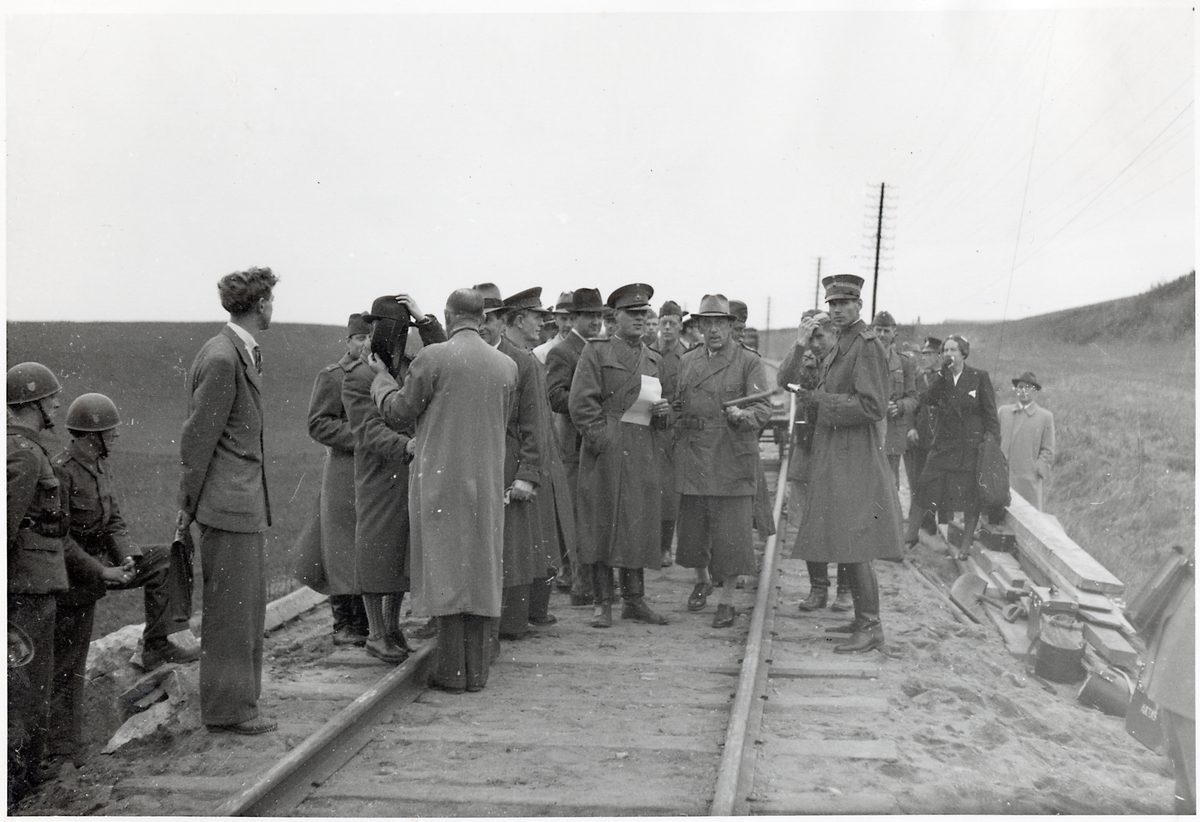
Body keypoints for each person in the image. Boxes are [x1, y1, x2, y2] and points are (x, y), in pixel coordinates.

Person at [370, 288, 517, 693]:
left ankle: (452, 672)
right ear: (482, 318)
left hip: (441, 483)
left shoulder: (432, 358)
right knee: (481, 569)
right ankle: (477, 672)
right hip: (487, 483)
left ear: (449, 317)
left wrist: (381, 380)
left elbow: (398, 412)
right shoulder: (506, 366)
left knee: (447, 570)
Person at [49, 393, 198, 767]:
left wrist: (127, 555)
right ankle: (62, 752)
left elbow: (113, 520)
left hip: (104, 563)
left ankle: (157, 644)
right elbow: (60, 540)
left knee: (166, 557)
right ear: (91, 436)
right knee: (68, 668)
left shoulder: (98, 465)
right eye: (110, 431)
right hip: (73, 578)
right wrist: (102, 571)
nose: (116, 436)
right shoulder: (61, 471)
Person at [177, 266, 278, 735]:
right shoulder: (223, 357)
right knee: (232, 615)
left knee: (243, 611)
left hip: (238, 504)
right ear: (261, 305)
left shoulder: (234, 351)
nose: (273, 308)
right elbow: (197, 439)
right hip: (228, 506)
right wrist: (187, 506)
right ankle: (228, 710)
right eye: (271, 300)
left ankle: (237, 705)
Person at [792, 275, 903, 654]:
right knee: (844, 532)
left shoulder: (866, 346)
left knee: (855, 537)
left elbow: (873, 406)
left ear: (859, 305)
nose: (837, 310)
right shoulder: (843, 341)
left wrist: (822, 401)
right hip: (836, 449)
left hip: (854, 454)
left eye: (844, 303)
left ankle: (871, 626)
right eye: (832, 304)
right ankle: (860, 618)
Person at [343, 295, 446, 661]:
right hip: (379, 473)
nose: (396, 336)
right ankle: (376, 633)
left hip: (410, 471)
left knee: (401, 552)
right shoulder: (359, 374)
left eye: (404, 329)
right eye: (390, 328)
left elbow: (447, 356)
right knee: (375, 551)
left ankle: (392, 627)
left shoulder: (411, 364)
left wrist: (427, 322)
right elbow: (366, 429)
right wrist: (407, 446)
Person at [569, 283, 672, 628]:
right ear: (615, 318)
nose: (640, 319)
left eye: (644, 314)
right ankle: (602, 602)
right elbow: (581, 403)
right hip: (607, 453)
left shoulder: (654, 359)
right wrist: (603, 439)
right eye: (633, 314)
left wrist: (664, 413)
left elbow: (667, 405)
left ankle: (634, 600)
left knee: (637, 523)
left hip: (642, 449)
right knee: (602, 523)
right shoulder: (596, 352)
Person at [673, 294, 772, 628]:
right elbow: (679, 404)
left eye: (719, 323)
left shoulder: (748, 361)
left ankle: (727, 599)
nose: (713, 330)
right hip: (695, 453)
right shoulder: (688, 361)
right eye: (707, 323)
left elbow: (763, 406)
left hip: (731, 453)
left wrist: (745, 415)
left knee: (732, 533)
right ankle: (702, 579)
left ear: (730, 326)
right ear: (699, 326)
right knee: (693, 531)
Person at [475, 284, 559, 640]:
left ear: (502, 321)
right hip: (471, 465)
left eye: (489, 320)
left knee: (512, 547)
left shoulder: (523, 363)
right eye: (476, 319)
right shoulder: (458, 356)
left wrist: (527, 474)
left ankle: (509, 624)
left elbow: (535, 425)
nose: (481, 327)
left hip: (508, 465)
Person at [8, 362, 70, 804]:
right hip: (26, 590)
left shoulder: (25, 448)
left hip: (33, 585)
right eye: (51, 398)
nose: (57, 404)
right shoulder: (24, 454)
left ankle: (24, 775)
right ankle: (18, 784)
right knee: (27, 687)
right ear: (33, 404)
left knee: (30, 684)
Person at [777, 310, 852, 613]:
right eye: (811, 338)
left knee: (843, 523)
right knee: (810, 524)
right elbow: (784, 381)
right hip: (808, 451)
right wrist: (799, 344)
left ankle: (845, 590)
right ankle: (818, 589)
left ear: (834, 334)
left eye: (820, 337)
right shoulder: (804, 357)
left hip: (838, 451)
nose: (815, 344)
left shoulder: (846, 359)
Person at [305, 314, 371, 647]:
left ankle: (366, 621)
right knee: (341, 547)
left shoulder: (380, 374)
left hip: (375, 472)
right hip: (344, 471)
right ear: (348, 341)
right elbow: (318, 424)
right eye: (360, 338)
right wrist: (366, 437)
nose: (366, 344)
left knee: (368, 543)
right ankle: (344, 624)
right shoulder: (333, 376)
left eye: (370, 337)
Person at [906, 334, 1001, 559]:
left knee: (970, 498)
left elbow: (990, 414)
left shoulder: (979, 377)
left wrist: (993, 445)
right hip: (944, 445)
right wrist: (942, 375)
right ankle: (910, 535)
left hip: (970, 447)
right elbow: (927, 399)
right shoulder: (941, 377)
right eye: (945, 351)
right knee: (924, 485)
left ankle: (965, 546)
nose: (948, 354)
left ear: (963, 353)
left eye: (953, 350)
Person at [545, 287, 606, 606]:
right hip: (574, 445)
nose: (595, 322)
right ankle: (580, 581)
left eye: (599, 316)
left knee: (596, 513)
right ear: (575, 318)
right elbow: (554, 397)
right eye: (589, 316)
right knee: (577, 514)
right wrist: (590, 402)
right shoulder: (563, 352)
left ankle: (592, 579)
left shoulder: (604, 348)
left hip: (600, 443)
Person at [654, 300, 688, 567]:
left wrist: (672, 416)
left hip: (673, 433)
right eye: (663, 323)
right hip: (645, 428)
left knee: (668, 493)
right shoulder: (646, 352)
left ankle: (665, 547)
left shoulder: (687, 357)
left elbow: (687, 397)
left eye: (672, 323)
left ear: (680, 327)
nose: (667, 328)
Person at [871, 311, 918, 493]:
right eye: (878, 330)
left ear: (894, 333)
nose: (882, 335)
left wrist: (898, 407)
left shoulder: (904, 363)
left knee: (890, 486)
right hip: (868, 431)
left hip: (892, 434)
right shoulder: (862, 359)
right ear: (872, 330)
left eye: (886, 331)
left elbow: (913, 398)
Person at [997, 371, 1055, 511]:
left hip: (1028, 481)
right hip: (1002, 477)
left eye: (1028, 387)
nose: (1023, 391)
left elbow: (1048, 449)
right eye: (1020, 387)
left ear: (1035, 391)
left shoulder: (1045, 417)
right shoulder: (1004, 412)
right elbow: (994, 440)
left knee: (1027, 516)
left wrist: (1037, 468)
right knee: (1000, 515)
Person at [904, 336, 942, 528]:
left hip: (940, 438)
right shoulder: (920, 378)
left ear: (938, 356)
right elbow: (913, 405)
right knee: (917, 479)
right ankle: (916, 520)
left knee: (935, 481)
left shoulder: (946, 378)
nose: (924, 357)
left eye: (928, 354)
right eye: (923, 353)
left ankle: (930, 519)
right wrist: (911, 427)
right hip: (921, 436)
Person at [533, 291, 575, 365]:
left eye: (572, 319)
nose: (568, 325)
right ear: (556, 320)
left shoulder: (587, 351)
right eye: (563, 319)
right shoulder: (541, 353)